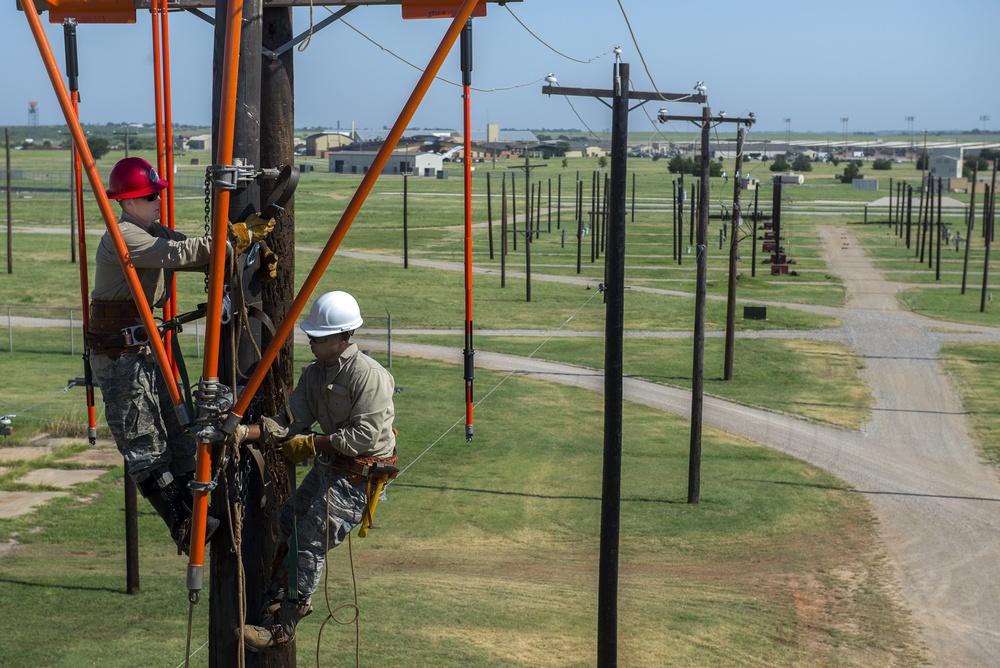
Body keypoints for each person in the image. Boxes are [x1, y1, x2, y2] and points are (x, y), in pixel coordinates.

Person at [87, 156, 273, 556]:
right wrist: (235, 237)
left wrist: (242, 247)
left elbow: (194, 252)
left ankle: (197, 508)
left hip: (143, 349)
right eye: (151, 195)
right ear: (128, 202)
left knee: (178, 437)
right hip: (119, 356)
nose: (158, 200)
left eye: (158, 194)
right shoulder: (124, 236)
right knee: (145, 446)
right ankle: (183, 523)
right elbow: (181, 253)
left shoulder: (151, 230)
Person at [237, 290, 398, 651]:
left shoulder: (369, 376)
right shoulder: (314, 375)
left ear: (343, 338)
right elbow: (290, 421)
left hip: (359, 477)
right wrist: (245, 432)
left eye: (320, 336)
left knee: (310, 540)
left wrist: (313, 445)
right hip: (331, 469)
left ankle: (285, 626)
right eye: (311, 334)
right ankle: (276, 596)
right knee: (290, 519)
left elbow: (362, 437)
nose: (311, 340)